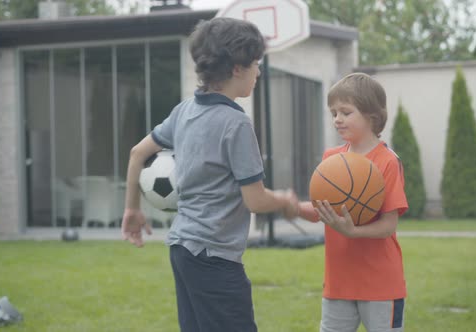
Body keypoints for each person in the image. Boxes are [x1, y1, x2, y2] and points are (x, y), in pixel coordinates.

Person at [120, 17, 299, 332]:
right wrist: (285, 200)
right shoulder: (236, 123)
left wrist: (132, 209)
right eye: (256, 63)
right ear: (236, 69)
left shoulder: (185, 110)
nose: (259, 71)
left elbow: (137, 154)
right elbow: (255, 200)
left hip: (182, 249)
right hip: (213, 257)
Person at [298, 73, 409, 332]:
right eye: (334, 112)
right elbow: (320, 210)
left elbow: (388, 225)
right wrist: (289, 206)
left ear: (371, 115)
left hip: (381, 284)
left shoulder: (387, 162)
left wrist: (353, 231)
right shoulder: (331, 159)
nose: (337, 119)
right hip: (338, 282)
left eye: (345, 112)